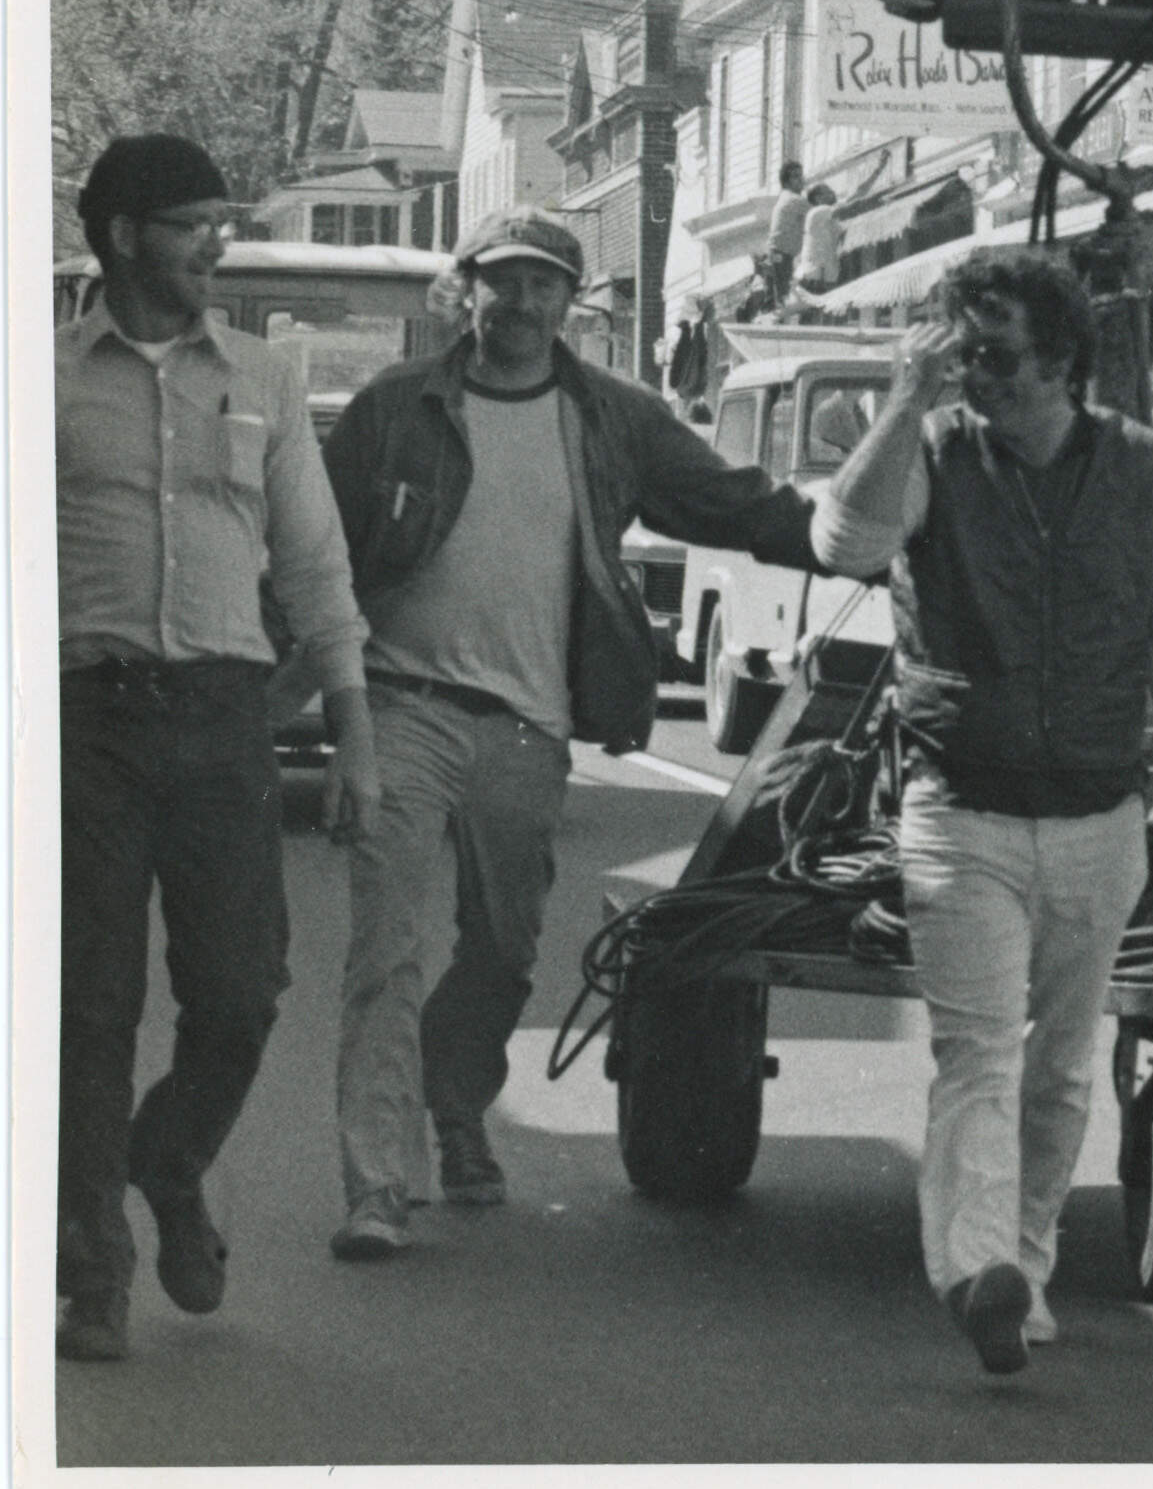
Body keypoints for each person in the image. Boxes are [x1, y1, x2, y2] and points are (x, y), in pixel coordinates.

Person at [318, 210, 829, 1264]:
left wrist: (857, 539)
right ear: (466, 291)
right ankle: (377, 1182)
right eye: (502, 282)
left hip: (528, 725)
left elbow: (733, 502)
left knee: (503, 950)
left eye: (544, 285)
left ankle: (456, 1105)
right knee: (385, 950)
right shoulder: (390, 409)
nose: (521, 303)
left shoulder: (612, 418)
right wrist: (311, 698)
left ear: (572, 304)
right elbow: (315, 557)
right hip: (401, 700)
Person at [813, 249, 1153, 1377]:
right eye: (962, 352)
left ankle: (1024, 1265)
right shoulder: (931, 450)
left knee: (1064, 1063)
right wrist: (901, 402)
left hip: (1095, 813)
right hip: (958, 810)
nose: (978, 375)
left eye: (999, 355)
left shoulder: (1140, 467)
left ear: (1064, 360)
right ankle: (974, 1270)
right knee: (980, 1053)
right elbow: (845, 545)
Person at [55, 136, 378, 1363]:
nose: (216, 242)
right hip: (83, 723)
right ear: (127, 234)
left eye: (220, 220)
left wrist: (353, 731)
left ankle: (169, 1160)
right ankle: (92, 1272)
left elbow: (314, 565)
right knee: (89, 1005)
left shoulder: (266, 376)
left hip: (224, 722)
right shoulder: (35, 380)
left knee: (241, 995)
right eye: (194, 221)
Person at [757, 159, 807, 303]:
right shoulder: (794, 200)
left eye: (801, 176)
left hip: (778, 256)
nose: (801, 180)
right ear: (786, 182)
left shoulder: (785, 198)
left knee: (781, 299)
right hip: (782, 257)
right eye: (796, 176)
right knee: (786, 299)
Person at [794, 182, 846, 296]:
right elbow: (848, 205)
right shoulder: (817, 212)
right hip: (814, 276)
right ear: (818, 198)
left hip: (823, 276)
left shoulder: (830, 220)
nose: (833, 193)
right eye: (828, 191)